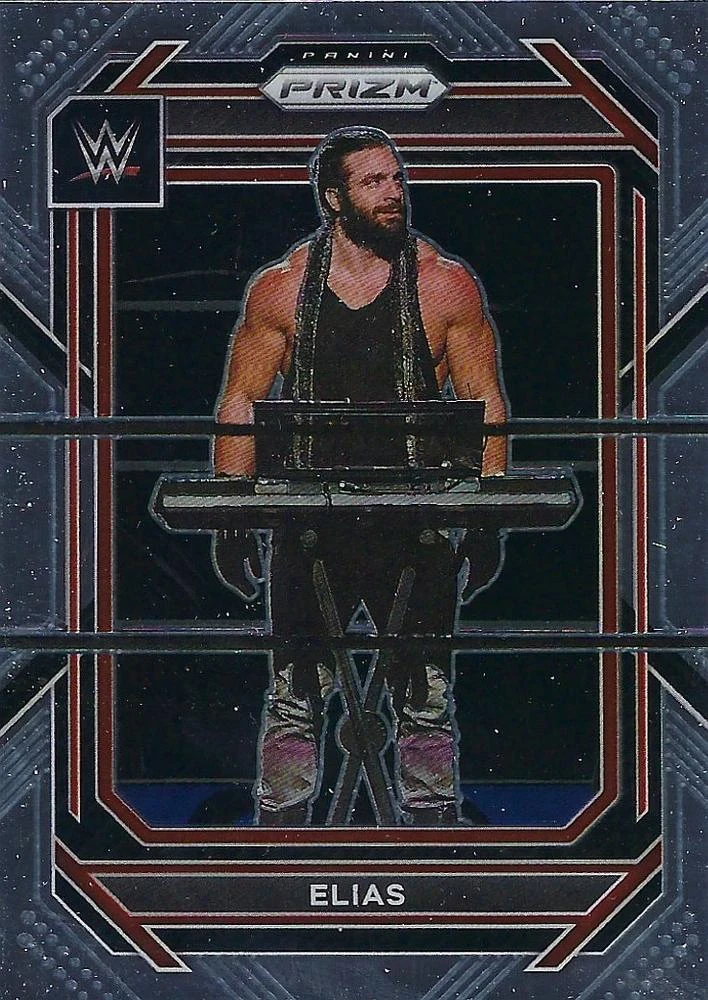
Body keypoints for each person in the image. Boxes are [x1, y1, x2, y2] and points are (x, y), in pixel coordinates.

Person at [213, 126, 507, 827]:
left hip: (413, 517)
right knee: (295, 688)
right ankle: (282, 830)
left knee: (424, 690)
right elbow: (241, 400)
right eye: (374, 182)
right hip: (311, 519)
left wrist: (488, 513)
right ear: (333, 198)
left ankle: (431, 828)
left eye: (397, 178)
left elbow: (484, 400)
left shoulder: (444, 284)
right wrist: (230, 513)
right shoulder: (282, 289)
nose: (393, 193)